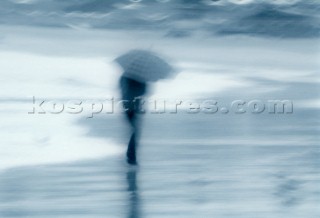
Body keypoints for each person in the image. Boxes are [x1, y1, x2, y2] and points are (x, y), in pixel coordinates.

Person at [119, 74, 147, 165]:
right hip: (134, 106)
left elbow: (122, 89)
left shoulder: (124, 77)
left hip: (127, 105)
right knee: (135, 131)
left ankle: (131, 155)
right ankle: (131, 156)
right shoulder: (141, 78)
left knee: (134, 130)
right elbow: (143, 92)